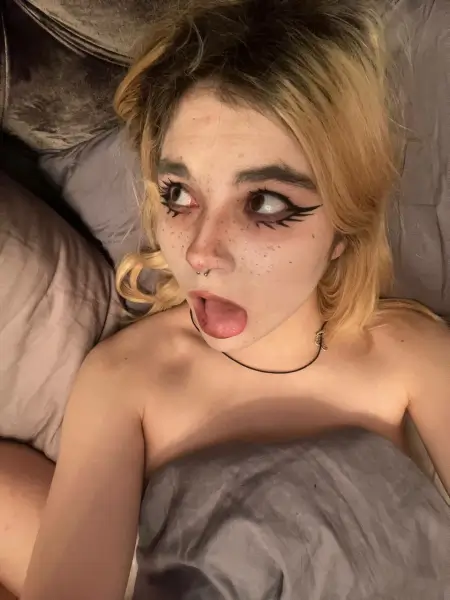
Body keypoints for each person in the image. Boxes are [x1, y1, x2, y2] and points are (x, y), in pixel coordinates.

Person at [15, 0, 450, 598]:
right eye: (178, 194)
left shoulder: (410, 352)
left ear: (343, 229)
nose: (200, 252)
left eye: (265, 203)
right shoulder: (129, 379)